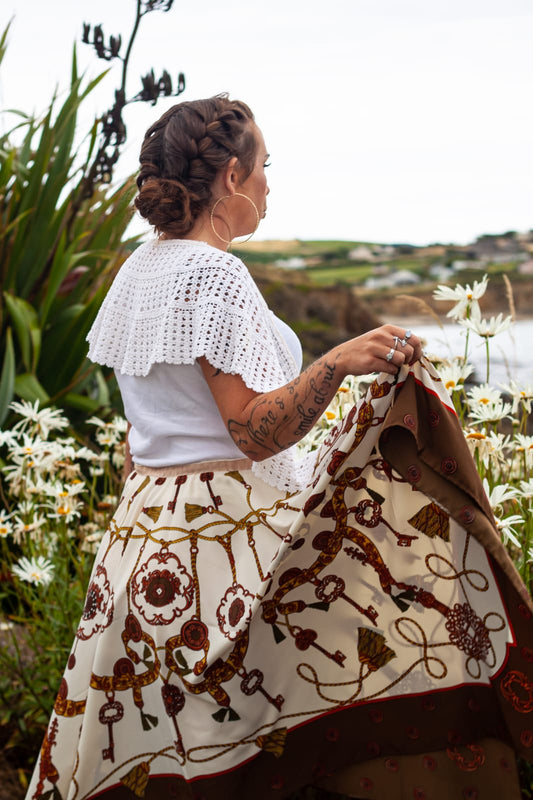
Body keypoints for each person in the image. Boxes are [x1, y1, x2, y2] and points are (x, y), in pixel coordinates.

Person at [27, 95, 533, 800]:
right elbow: (251, 428)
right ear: (232, 176)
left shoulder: (137, 271)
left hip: (144, 542)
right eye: (265, 166)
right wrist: (337, 363)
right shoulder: (213, 273)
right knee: (275, 723)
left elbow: (139, 437)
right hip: (219, 544)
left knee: (163, 741)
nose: (270, 183)